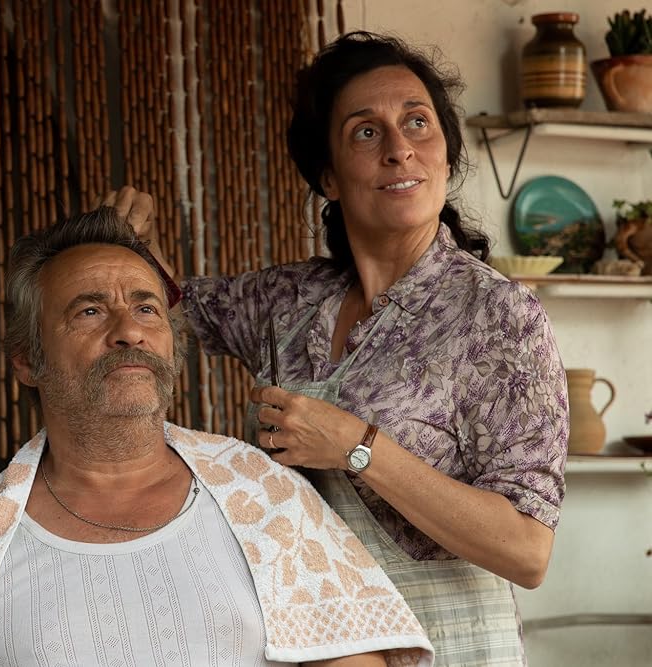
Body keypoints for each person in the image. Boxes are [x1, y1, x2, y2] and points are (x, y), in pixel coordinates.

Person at [105, 31, 569, 667]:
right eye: (366, 131)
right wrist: (134, 243)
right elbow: (176, 316)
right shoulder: (291, 302)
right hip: (315, 649)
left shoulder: (500, 318)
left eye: (417, 123)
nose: (400, 148)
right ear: (328, 175)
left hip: (451, 649)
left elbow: (527, 550)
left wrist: (357, 446)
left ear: (445, 152)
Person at [0, 208, 433, 667]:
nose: (129, 331)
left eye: (147, 309)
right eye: (90, 312)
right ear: (26, 361)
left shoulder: (264, 498)